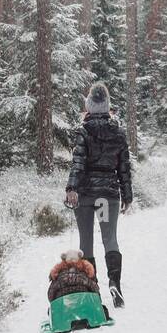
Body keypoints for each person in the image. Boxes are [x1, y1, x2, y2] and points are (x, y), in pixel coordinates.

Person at [64, 82, 133, 308]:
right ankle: (115, 283)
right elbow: (124, 167)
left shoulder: (83, 131)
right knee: (110, 239)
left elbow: (78, 163)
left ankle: (93, 291)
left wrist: (71, 188)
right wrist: (127, 195)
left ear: (90, 106)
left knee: (86, 242)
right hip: (107, 195)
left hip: (85, 194)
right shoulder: (119, 134)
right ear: (107, 106)